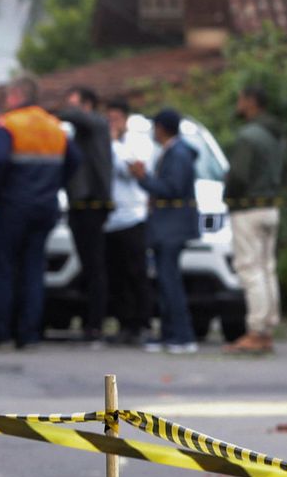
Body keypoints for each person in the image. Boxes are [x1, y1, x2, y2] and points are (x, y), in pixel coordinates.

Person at [0, 77, 76, 350]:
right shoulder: (55, 126)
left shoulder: (8, 124)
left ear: (17, 95)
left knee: (2, 268)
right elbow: (74, 160)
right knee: (33, 269)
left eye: (9, 95)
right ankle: (29, 333)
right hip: (45, 206)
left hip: (12, 205)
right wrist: (55, 185)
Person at [221, 86, 286, 355]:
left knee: (250, 268)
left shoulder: (249, 136)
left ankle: (256, 329)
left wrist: (228, 196)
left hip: (249, 209)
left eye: (240, 99)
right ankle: (268, 326)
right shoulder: (274, 136)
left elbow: (238, 176)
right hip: (270, 206)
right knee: (267, 267)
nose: (238, 104)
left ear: (251, 102)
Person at [129, 107, 199, 354]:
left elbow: (172, 188)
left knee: (171, 283)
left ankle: (182, 335)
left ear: (161, 128)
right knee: (165, 281)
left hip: (172, 228)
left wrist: (144, 178)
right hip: (166, 227)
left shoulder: (177, 154)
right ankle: (169, 334)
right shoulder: (171, 152)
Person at [55, 87, 113, 342]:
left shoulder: (97, 125)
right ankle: (91, 320)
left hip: (92, 204)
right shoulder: (81, 134)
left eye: (75, 104)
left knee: (95, 265)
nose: (70, 111)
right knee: (88, 266)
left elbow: (76, 117)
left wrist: (53, 113)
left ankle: (96, 324)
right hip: (80, 205)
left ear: (88, 105)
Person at [103, 100, 153, 346]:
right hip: (110, 220)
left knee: (137, 273)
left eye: (116, 119)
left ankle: (142, 323)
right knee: (117, 276)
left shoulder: (136, 143)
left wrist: (113, 144)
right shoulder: (103, 144)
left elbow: (131, 171)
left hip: (133, 217)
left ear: (125, 120)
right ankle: (124, 324)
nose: (112, 124)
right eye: (108, 119)